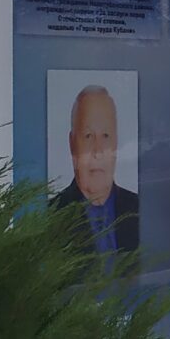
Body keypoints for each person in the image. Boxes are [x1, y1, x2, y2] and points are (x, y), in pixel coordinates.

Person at [52, 82, 139, 259]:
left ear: (116, 144)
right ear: (72, 144)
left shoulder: (140, 209)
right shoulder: (52, 217)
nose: (98, 152)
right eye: (88, 136)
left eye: (106, 136)